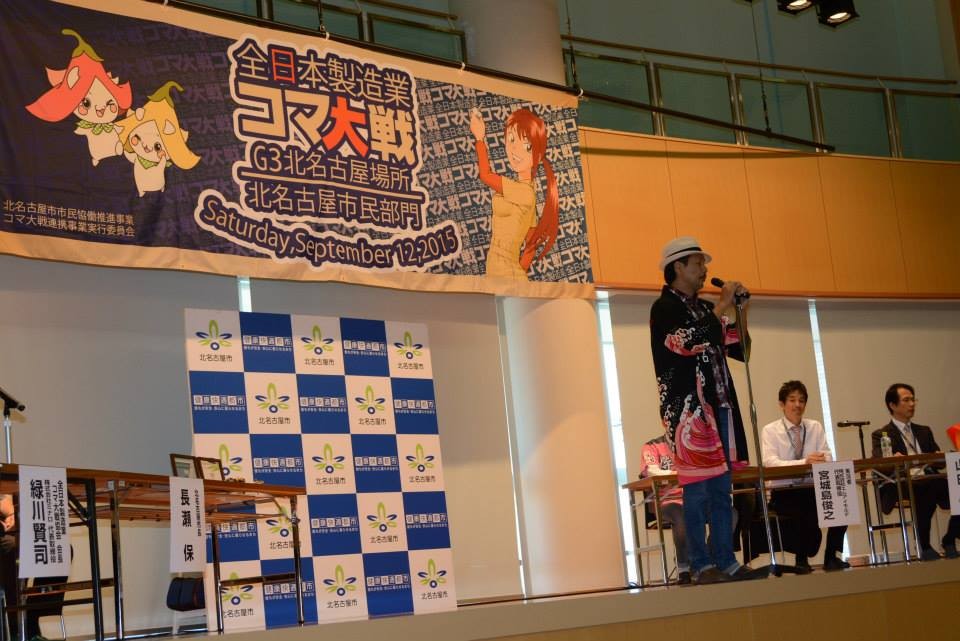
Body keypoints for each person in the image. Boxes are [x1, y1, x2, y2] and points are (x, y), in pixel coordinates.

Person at [649, 236, 756, 585]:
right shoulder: (664, 308)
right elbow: (687, 341)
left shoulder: (706, 309)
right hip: (689, 415)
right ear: (678, 267)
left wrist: (740, 310)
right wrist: (722, 306)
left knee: (721, 490)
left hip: (720, 407)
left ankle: (726, 560)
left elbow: (741, 349)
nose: (704, 270)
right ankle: (699, 565)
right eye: (698, 263)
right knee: (696, 493)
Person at [760, 380, 849, 571]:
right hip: (784, 490)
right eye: (792, 400)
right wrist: (804, 463)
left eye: (801, 400)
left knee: (843, 499)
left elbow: (827, 455)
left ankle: (831, 556)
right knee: (803, 507)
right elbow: (770, 462)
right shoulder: (770, 430)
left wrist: (820, 459)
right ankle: (801, 560)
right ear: (782, 404)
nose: (797, 405)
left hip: (812, 486)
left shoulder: (814, 426)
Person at [871, 383, 960, 560]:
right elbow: (880, 463)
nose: (912, 404)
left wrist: (938, 456)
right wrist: (893, 459)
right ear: (892, 405)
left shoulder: (924, 431)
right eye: (906, 400)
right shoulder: (881, 434)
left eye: (913, 400)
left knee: (955, 487)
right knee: (926, 488)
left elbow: (939, 463)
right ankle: (924, 545)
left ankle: (950, 538)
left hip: (929, 479)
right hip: (901, 483)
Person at [469, 106, 558, 279]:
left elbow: (485, 175)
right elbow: (531, 244)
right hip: (502, 272)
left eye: (527, 146)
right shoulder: (527, 193)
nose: (515, 149)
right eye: (511, 139)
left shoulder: (525, 193)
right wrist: (518, 275)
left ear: (538, 155)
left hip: (505, 273)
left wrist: (479, 138)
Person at [640, 435, 691, 584]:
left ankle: (710, 558)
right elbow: (652, 471)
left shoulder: (692, 441)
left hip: (694, 498)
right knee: (680, 513)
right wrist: (678, 474)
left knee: (730, 514)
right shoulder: (652, 446)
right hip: (667, 501)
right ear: (665, 423)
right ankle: (684, 567)